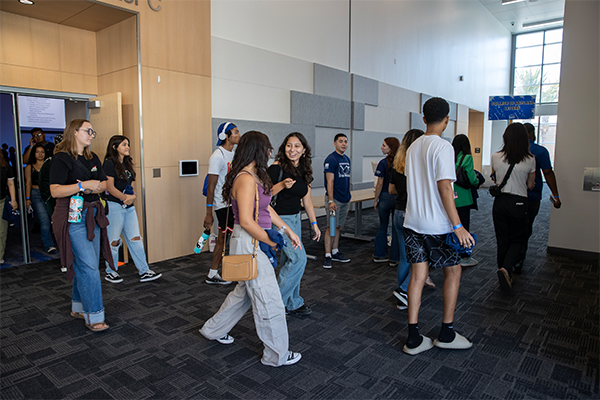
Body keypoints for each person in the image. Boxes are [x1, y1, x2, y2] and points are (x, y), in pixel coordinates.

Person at [200, 130, 303, 367]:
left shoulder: (254, 176)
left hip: (252, 241)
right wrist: (271, 241)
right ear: (257, 150)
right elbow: (246, 221)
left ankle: (212, 330)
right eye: (267, 148)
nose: (270, 152)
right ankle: (276, 354)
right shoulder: (245, 179)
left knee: (244, 294)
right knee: (269, 298)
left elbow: (266, 210)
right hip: (250, 242)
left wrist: (287, 230)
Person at [403, 97, 475, 355]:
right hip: (438, 226)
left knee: (418, 277)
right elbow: (444, 186)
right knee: (453, 272)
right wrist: (458, 226)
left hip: (413, 222)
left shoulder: (413, 147)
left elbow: (422, 185)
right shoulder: (444, 147)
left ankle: (413, 338)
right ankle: (446, 332)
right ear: (447, 120)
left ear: (424, 119)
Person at [50, 119, 113, 332]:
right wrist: (81, 185)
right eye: (88, 131)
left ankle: (78, 307)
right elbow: (55, 191)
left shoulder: (92, 157)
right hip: (72, 216)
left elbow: (104, 183)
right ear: (74, 133)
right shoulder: (60, 159)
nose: (91, 135)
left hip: (93, 214)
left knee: (86, 264)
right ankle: (94, 315)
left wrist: (92, 188)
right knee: (89, 267)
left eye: (92, 132)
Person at [268, 132, 321, 316]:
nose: (293, 150)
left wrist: (314, 223)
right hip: (280, 220)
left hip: (296, 219)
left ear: (304, 150)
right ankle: (274, 304)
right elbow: (264, 195)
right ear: (284, 148)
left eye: (297, 146)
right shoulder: (276, 168)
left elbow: (307, 201)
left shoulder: (305, 170)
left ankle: (293, 302)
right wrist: (282, 185)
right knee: (299, 259)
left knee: (288, 260)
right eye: (289, 145)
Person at [103, 135, 162, 283]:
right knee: (114, 240)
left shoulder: (127, 163)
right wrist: (125, 198)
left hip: (128, 206)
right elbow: (109, 187)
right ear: (114, 147)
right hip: (115, 205)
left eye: (128, 144)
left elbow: (131, 184)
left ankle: (144, 270)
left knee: (135, 238)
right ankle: (111, 270)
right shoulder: (109, 163)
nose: (127, 147)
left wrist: (132, 196)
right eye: (124, 145)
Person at [389, 129, 437, 310]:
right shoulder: (419, 163)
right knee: (424, 256)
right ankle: (404, 291)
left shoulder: (397, 164)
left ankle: (403, 296)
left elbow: (391, 191)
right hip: (414, 214)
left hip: (398, 212)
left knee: (404, 258)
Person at [491, 123, 535, 291]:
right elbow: (530, 184)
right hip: (518, 202)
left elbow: (496, 180)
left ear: (505, 137)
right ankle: (506, 269)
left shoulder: (496, 156)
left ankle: (503, 270)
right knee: (518, 238)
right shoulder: (530, 159)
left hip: (500, 202)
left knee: (502, 238)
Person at [516, 122, 561, 272]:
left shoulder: (512, 150)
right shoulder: (540, 151)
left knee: (512, 228)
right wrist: (555, 195)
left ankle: (509, 259)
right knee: (526, 227)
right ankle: (518, 259)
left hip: (512, 196)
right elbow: (548, 173)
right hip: (531, 197)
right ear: (531, 133)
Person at [203, 122, 241, 285]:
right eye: (236, 132)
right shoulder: (217, 156)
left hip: (232, 202)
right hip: (221, 204)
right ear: (225, 136)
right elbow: (211, 187)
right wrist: (209, 213)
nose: (239, 135)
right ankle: (213, 274)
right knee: (223, 238)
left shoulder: (233, 154)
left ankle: (217, 272)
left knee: (228, 237)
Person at [451, 134, 481, 267]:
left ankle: (451, 253)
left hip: (450, 198)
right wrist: (478, 180)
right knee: (464, 227)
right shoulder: (467, 158)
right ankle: (464, 257)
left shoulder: (449, 157)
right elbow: (472, 178)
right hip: (463, 199)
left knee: (451, 226)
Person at [323, 133, 352, 269]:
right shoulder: (331, 159)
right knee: (331, 227)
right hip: (334, 200)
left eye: (345, 141)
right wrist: (330, 201)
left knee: (338, 226)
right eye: (341, 141)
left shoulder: (347, 159)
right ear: (335, 144)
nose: (344, 144)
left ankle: (335, 251)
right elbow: (330, 181)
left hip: (345, 199)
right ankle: (327, 255)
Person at [25, 143, 56, 253]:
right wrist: (27, 198)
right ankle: (49, 245)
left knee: (54, 218)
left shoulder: (49, 164)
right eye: (37, 152)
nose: (40, 154)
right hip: (36, 193)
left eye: (42, 152)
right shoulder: (29, 167)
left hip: (49, 193)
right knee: (44, 220)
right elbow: (28, 183)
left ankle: (58, 241)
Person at [373, 137, 400, 264]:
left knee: (383, 226)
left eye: (384, 145)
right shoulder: (401, 163)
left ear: (390, 147)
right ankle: (394, 258)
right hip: (397, 198)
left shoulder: (382, 163)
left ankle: (379, 255)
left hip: (384, 197)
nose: (381, 147)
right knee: (396, 228)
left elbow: (379, 183)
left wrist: (375, 199)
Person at [0, 151, 18, 265]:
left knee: (2, 231)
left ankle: (0, 255)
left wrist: (13, 200)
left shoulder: (5, 167)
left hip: (1, 201)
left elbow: (10, 184)